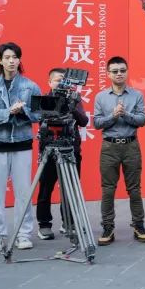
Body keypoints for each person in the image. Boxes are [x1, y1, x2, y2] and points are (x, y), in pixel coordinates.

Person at [0, 42, 42, 252]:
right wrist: (8, 113)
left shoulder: (30, 86)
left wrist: (23, 112)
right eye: (7, 57)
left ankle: (23, 234)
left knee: (23, 193)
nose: (11, 61)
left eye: (15, 57)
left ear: (19, 59)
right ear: (0, 60)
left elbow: (39, 114)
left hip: (22, 145)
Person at [92, 56, 145, 245]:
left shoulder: (136, 95)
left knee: (134, 189)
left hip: (131, 145)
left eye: (122, 70)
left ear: (127, 72)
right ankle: (108, 227)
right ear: (108, 74)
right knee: (108, 189)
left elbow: (142, 120)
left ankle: (139, 225)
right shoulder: (100, 97)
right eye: (115, 71)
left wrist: (125, 113)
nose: (119, 74)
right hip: (109, 147)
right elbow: (97, 123)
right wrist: (113, 116)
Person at [35, 68, 89, 241]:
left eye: (64, 80)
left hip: (70, 149)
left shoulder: (74, 98)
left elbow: (84, 121)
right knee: (46, 189)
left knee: (70, 189)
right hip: (49, 149)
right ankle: (44, 224)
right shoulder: (45, 99)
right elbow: (40, 120)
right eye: (58, 80)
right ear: (50, 82)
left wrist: (72, 107)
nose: (61, 83)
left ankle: (69, 222)